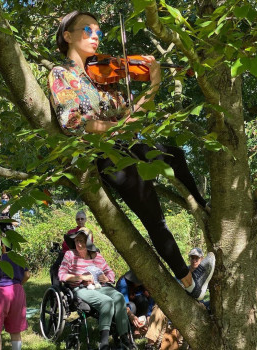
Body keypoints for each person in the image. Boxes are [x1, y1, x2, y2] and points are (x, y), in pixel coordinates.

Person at [48, 10, 215, 299]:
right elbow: (74, 123)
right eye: (87, 30)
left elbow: (133, 117)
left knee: (174, 155)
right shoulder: (61, 74)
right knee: (155, 219)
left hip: (128, 147)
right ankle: (191, 283)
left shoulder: (105, 77)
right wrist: (116, 126)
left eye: (98, 31)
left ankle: (205, 208)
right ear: (67, 36)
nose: (96, 36)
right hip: (107, 158)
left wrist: (154, 85)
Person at [58, 229, 133, 350]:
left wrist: (106, 278)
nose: (79, 244)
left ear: (88, 242)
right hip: (81, 289)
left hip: (100, 286)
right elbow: (62, 275)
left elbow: (110, 273)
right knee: (107, 302)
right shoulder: (70, 255)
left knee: (119, 297)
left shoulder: (97, 256)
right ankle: (104, 342)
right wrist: (82, 277)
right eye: (76, 241)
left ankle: (124, 336)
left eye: (81, 241)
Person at [145, 248, 209, 350]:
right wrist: (148, 313)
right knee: (160, 307)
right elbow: (169, 290)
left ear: (202, 259)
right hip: (176, 305)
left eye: (197, 258)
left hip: (192, 310)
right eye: (192, 257)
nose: (194, 260)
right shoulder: (182, 274)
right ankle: (149, 345)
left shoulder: (205, 277)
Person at [50, 210, 93, 285]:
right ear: (76, 220)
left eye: (82, 219)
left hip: (76, 255)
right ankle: (57, 285)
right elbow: (64, 245)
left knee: (55, 268)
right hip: (67, 254)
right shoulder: (71, 231)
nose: (80, 221)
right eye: (78, 219)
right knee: (55, 268)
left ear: (85, 220)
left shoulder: (87, 232)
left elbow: (89, 245)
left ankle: (56, 287)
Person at [116, 270, 154, 337]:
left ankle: (138, 327)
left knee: (143, 301)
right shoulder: (123, 284)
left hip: (137, 301)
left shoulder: (142, 285)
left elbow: (150, 299)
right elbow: (124, 304)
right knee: (132, 307)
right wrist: (131, 316)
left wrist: (148, 316)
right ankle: (128, 330)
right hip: (124, 305)